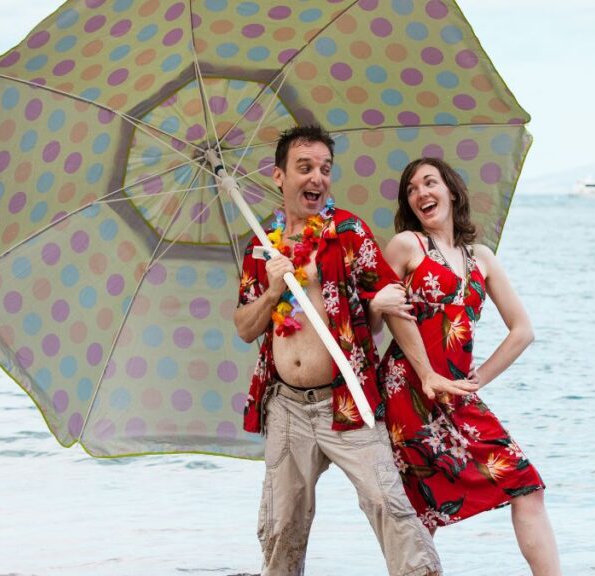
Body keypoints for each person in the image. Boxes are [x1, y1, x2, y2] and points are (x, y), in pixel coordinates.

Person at [228, 125, 442, 576]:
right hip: (286, 406)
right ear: (279, 176)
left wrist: (425, 372)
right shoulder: (259, 247)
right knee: (281, 527)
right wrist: (271, 292)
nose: (317, 178)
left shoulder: (348, 232)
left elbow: (391, 301)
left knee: (389, 505)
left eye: (325, 169)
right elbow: (246, 328)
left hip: (347, 401)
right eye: (304, 168)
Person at [374, 157, 562, 575]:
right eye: (412, 189)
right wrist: (426, 372)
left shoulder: (482, 258)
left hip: (455, 391)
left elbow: (522, 330)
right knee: (421, 507)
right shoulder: (407, 245)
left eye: (430, 183)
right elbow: (387, 314)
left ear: (452, 191)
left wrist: (478, 379)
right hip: (409, 387)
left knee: (526, 485)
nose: (422, 193)